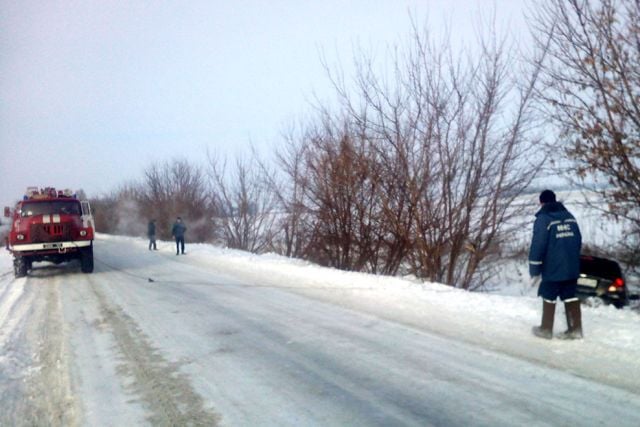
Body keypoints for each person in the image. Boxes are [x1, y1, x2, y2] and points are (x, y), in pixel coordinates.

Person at [529, 189, 583, 340]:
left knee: (549, 294)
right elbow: (578, 240)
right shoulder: (570, 216)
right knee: (570, 295)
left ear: (542, 202)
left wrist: (534, 267)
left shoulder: (543, 219)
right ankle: (575, 329)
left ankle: (546, 329)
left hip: (553, 268)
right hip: (572, 266)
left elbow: (538, 244)